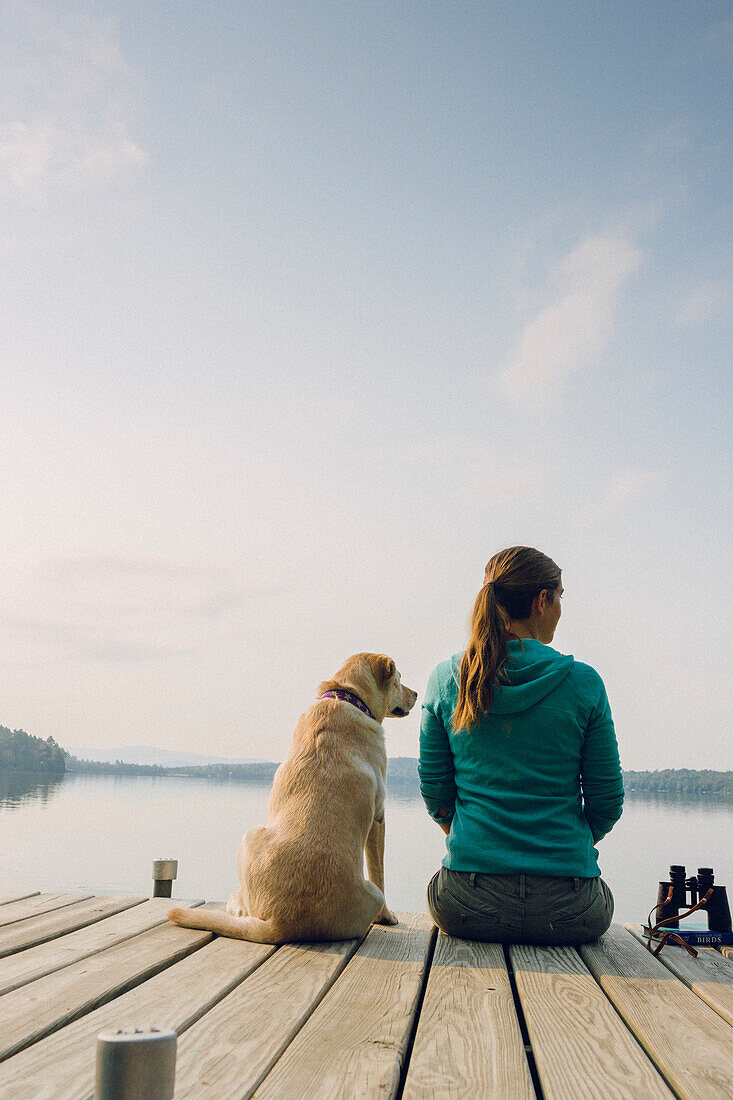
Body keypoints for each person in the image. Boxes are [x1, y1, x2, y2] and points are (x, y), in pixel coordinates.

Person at [419, 546, 623, 944]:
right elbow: (606, 804)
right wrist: (561, 851)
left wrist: (480, 845)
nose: (561, 607)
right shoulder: (584, 683)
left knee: (436, 890)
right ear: (542, 601)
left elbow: (436, 795)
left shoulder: (445, 679)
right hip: (571, 909)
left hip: (467, 904)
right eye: (560, 596)